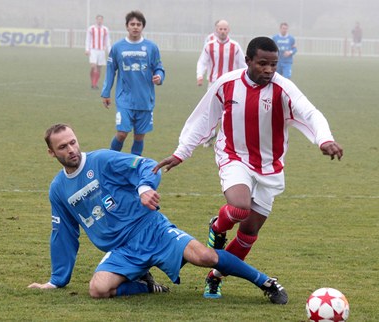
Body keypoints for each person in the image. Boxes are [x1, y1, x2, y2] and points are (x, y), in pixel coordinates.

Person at [153, 37, 343, 299]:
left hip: (270, 167)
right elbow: (203, 118)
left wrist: (324, 139)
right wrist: (181, 152)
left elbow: (310, 113)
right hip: (234, 156)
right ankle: (218, 227)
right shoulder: (227, 84)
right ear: (248, 61)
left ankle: (215, 277)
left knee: (248, 232)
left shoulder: (283, 89)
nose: (269, 69)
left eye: (274, 64)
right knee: (240, 207)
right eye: (263, 63)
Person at [28, 123, 288, 305]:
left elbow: (148, 166)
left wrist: (143, 188)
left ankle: (266, 283)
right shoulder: (58, 189)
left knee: (205, 256)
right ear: (52, 152)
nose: (71, 149)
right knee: (98, 289)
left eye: (73, 142)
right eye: (63, 147)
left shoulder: (101, 160)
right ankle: (146, 284)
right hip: (122, 249)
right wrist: (56, 281)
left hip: (151, 228)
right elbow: (63, 233)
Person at [101, 10, 164, 156]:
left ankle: (134, 166)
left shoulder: (151, 47)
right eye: (132, 24)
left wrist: (159, 77)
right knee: (122, 133)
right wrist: (106, 93)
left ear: (143, 27)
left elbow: (159, 67)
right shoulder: (117, 47)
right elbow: (111, 71)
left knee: (139, 136)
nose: (135, 27)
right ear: (127, 26)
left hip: (145, 99)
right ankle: (110, 160)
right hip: (125, 99)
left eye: (138, 24)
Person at [196, 19, 246, 147]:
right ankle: (210, 134)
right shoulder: (209, 46)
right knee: (210, 109)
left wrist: (245, 79)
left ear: (228, 30)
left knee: (230, 109)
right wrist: (200, 75)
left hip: (230, 84)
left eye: (225, 29)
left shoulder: (235, 46)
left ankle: (228, 136)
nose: (223, 31)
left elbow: (242, 63)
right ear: (216, 30)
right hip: (213, 83)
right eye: (220, 29)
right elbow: (202, 61)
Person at [85, 15, 111, 90]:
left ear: (102, 20)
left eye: (101, 19)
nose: (99, 21)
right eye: (98, 19)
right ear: (96, 20)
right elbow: (88, 39)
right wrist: (87, 49)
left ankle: (94, 84)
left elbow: (107, 41)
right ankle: (93, 83)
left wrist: (109, 51)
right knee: (93, 67)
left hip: (101, 51)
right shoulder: (91, 28)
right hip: (93, 50)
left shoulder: (105, 29)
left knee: (99, 68)